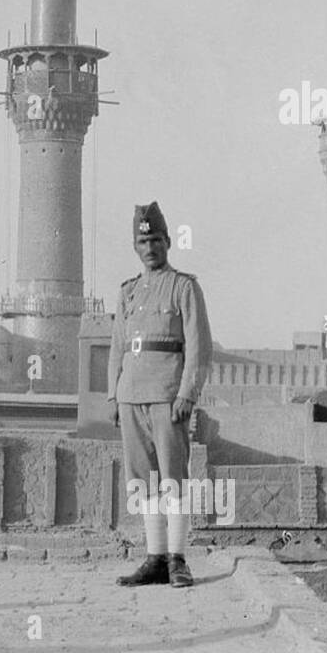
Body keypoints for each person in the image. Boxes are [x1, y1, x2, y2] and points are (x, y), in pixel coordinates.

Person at [105, 202, 212, 588]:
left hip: (168, 396)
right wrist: (113, 397)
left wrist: (188, 392)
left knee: (173, 480)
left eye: (155, 240)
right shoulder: (128, 292)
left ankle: (178, 559)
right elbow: (118, 346)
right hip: (131, 395)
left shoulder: (184, 287)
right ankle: (154, 559)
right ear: (135, 246)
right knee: (143, 483)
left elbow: (199, 346)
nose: (149, 247)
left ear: (167, 242)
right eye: (142, 241)